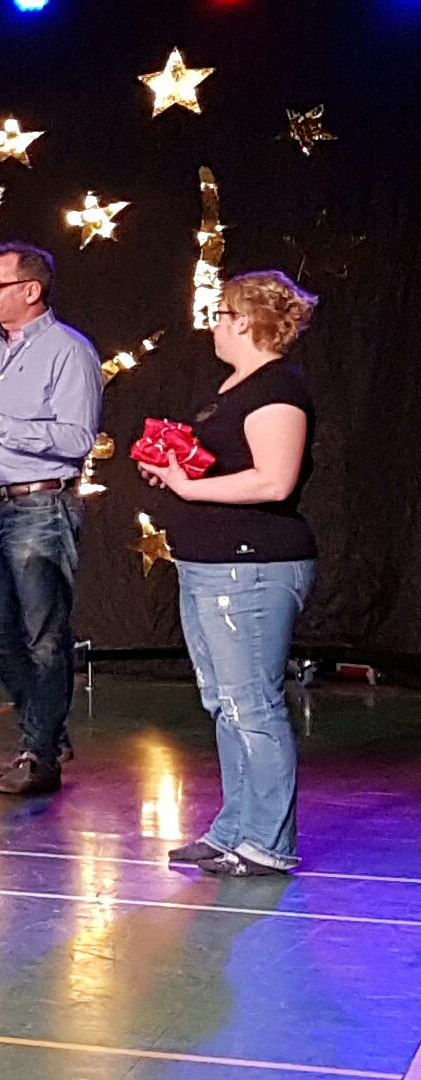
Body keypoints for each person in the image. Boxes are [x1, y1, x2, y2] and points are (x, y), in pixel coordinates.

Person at [139, 271, 320, 878]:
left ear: (244, 322)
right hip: (210, 563)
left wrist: (190, 488)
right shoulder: (233, 387)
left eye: (220, 314)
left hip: (252, 567)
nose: (213, 325)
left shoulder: (277, 390)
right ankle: (235, 830)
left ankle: (267, 842)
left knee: (252, 705)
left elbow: (274, 480)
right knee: (226, 704)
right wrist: (176, 469)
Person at [0, 243, 103, 797]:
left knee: (43, 634)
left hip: (39, 505)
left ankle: (39, 752)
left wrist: (0, 425)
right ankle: (46, 732)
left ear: (31, 291)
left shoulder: (69, 351)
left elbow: (77, 438)